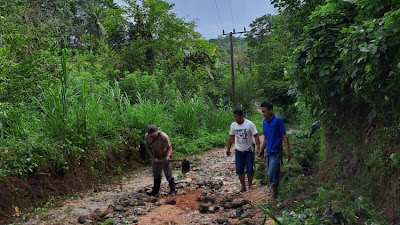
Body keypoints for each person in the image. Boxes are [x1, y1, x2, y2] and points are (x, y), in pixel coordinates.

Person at [258, 102, 290, 201]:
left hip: (276, 151)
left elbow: (284, 135)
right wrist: (261, 150)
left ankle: (275, 195)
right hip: (268, 151)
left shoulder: (277, 120)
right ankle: (275, 192)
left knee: (272, 172)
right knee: (270, 173)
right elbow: (266, 138)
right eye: (262, 112)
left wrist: (287, 150)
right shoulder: (264, 122)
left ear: (271, 110)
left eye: (265, 112)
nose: (263, 114)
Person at [226, 108, 261, 192]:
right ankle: (243, 186)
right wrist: (228, 148)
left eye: (237, 117)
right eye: (234, 117)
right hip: (238, 150)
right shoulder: (233, 125)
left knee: (250, 168)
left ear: (242, 116)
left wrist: (258, 148)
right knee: (239, 169)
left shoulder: (249, 124)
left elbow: (256, 136)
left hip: (249, 150)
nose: (235, 119)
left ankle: (250, 185)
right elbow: (231, 137)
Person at [145, 125, 176, 196]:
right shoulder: (147, 137)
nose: (153, 137)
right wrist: (153, 158)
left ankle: (173, 190)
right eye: (151, 136)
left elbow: (170, 148)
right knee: (156, 174)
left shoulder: (164, 137)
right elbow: (148, 148)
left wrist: (168, 156)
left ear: (157, 132)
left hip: (165, 155)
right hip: (156, 156)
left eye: (154, 135)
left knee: (168, 174)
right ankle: (155, 190)